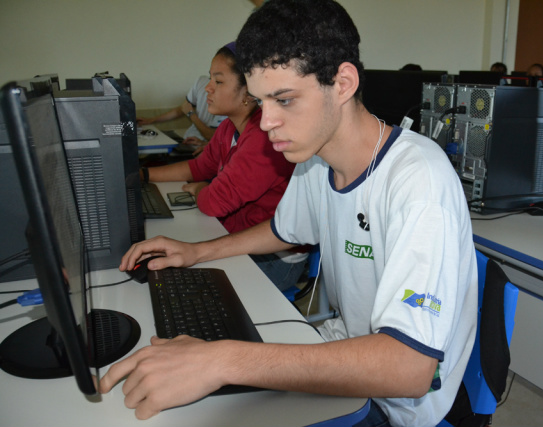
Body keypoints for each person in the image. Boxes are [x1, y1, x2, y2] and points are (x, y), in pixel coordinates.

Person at [101, 2, 477, 426]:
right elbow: (283, 229)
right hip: (347, 351)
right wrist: (196, 252)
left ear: (343, 83)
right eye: (262, 102)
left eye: (284, 100)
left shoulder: (419, 181)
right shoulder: (315, 157)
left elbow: (409, 368)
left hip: (398, 405)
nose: (266, 123)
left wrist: (223, 361)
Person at [140, 41, 305, 291]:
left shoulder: (264, 138)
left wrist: (199, 190)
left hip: (274, 258)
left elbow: (213, 202)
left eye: (218, 81)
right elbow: (197, 168)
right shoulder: (229, 127)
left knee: (186, 285)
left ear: (249, 92)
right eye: (210, 79)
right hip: (238, 238)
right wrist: (144, 174)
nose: (207, 89)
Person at [137, 75, 223, 150]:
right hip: (188, 141)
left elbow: (213, 137)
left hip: (199, 147)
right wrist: (151, 120)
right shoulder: (202, 81)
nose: (208, 88)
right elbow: (183, 108)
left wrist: (191, 114)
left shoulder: (225, 99)